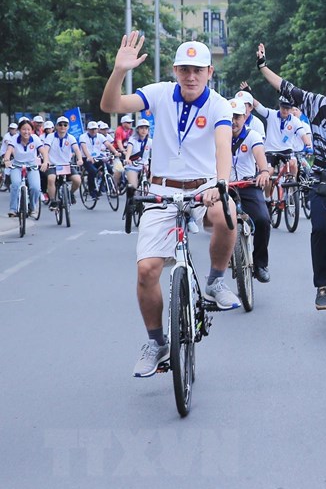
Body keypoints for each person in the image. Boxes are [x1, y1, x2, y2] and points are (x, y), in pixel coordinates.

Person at [100, 32, 240, 378]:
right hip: (161, 191)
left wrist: (219, 184)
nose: (190, 76)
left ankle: (216, 281)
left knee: (227, 213)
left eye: (198, 70)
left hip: (204, 187)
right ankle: (156, 341)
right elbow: (111, 106)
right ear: (175, 71)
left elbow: (223, 145)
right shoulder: (159, 93)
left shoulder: (220, 105)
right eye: (184, 69)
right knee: (147, 270)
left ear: (209, 72)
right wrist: (119, 71)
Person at [256, 42, 326, 309]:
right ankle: (322, 285)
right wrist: (263, 66)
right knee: (319, 228)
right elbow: (284, 86)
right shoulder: (318, 104)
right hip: (323, 174)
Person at [228, 98, 273, 282]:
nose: (233, 121)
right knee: (219, 223)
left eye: (237, 116)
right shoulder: (217, 136)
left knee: (263, 220)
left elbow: (261, 159)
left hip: (248, 186)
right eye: (229, 117)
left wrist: (263, 172)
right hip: (225, 187)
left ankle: (260, 264)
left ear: (245, 117)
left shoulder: (252, 136)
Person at [3, 117, 48, 216]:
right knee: (15, 184)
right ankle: (13, 209)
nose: (26, 132)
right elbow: (9, 150)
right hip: (17, 165)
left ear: (31, 130)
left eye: (28, 129)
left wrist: (45, 162)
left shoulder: (35, 139)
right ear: (19, 130)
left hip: (31, 166)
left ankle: (32, 208)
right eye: (23, 129)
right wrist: (6, 160)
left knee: (35, 187)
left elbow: (43, 151)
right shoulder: (14, 139)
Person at [44, 115, 84, 208]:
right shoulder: (50, 137)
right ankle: (53, 200)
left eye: (65, 125)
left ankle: (70, 193)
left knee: (77, 180)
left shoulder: (71, 137)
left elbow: (76, 149)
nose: (63, 127)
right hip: (53, 164)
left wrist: (80, 159)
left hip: (66, 164)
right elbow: (46, 149)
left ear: (68, 127)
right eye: (60, 124)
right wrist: (46, 161)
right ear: (56, 126)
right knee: (51, 179)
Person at [79, 121, 110, 197]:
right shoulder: (83, 136)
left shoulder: (100, 136)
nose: (93, 131)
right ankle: (91, 190)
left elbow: (108, 144)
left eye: (95, 129)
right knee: (93, 171)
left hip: (97, 157)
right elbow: (84, 147)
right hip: (86, 158)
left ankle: (101, 185)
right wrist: (89, 156)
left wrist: (115, 152)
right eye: (91, 129)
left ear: (97, 129)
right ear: (88, 129)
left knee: (109, 169)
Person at [123, 119, 152, 193]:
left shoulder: (150, 141)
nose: (144, 130)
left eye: (146, 128)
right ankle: (130, 202)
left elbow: (157, 152)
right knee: (133, 187)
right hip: (133, 166)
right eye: (141, 128)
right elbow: (129, 150)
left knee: (153, 184)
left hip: (145, 166)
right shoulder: (132, 140)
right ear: (137, 129)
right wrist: (127, 159)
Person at [113, 114, 134, 189]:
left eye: (131, 122)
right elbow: (119, 142)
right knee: (119, 169)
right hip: (117, 151)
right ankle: (115, 186)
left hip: (127, 150)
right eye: (128, 123)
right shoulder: (119, 130)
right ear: (123, 123)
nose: (130, 124)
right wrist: (123, 151)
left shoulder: (131, 131)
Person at [1, 122, 17, 189]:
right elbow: (9, 146)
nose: (12, 130)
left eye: (13, 129)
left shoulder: (17, 136)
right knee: (8, 168)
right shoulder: (7, 136)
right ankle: (5, 183)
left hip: (14, 153)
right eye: (11, 129)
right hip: (5, 153)